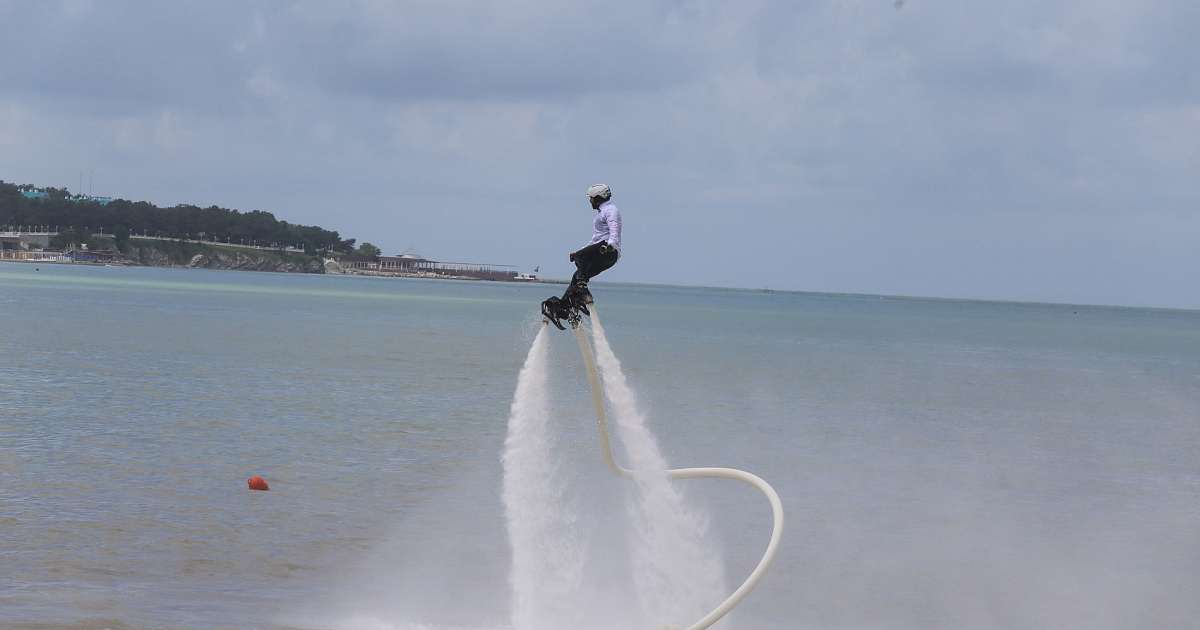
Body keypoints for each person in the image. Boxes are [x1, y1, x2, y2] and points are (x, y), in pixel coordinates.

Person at [540, 183, 622, 329]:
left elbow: (614, 229)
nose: (590, 201)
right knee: (576, 277)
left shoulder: (611, 210)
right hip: (602, 249)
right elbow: (595, 239)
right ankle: (567, 308)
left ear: (599, 197)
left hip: (608, 251)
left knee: (581, 266)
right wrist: (580, 251)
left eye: (591, 198)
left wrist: (610, 245)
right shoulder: (601, 213)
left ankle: (582, 288)